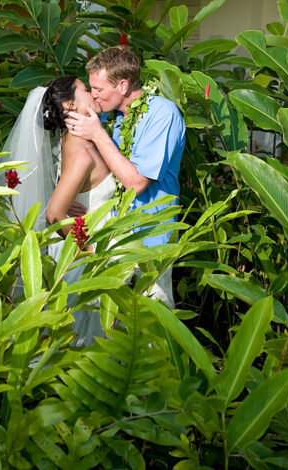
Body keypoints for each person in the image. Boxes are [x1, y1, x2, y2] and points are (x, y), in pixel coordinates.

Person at [0, 77, 117, 346]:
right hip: (82, 255)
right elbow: (54, 214)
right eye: (86, 89)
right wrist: (88, 253)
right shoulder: (81, 151)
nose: (93, 94)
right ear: (70, 104)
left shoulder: (73, 141)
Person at [63, 46, 186, 309]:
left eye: (98, 89)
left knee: (153, 318)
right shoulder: (115, 116)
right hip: (116, 234)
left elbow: (136, 183)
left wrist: (97, 133)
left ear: (122, 85)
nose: (94, 95)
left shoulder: (162, 114)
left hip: (152, 235)